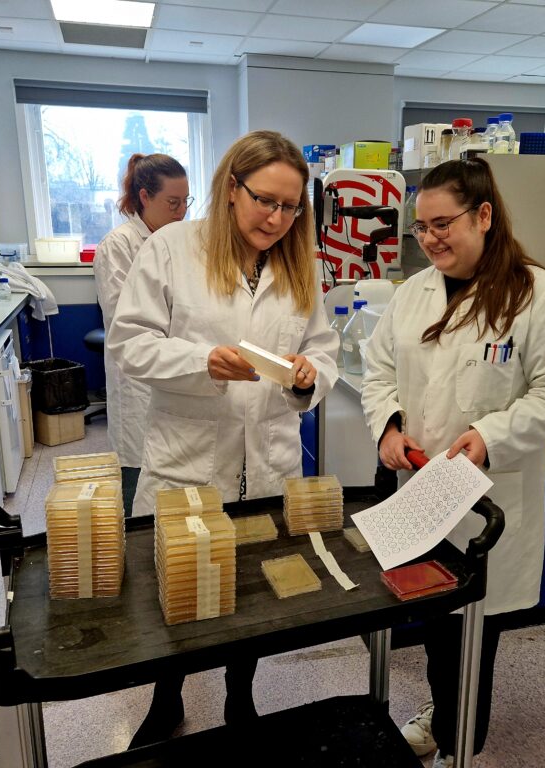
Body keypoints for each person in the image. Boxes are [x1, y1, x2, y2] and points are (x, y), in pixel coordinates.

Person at [107, 130, 339, 746]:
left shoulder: (300, 262)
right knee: (177, 587)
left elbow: (321, 347)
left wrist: (310, 376)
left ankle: (242, 696)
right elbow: (129, 343)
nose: (277, 218)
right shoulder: (172, 248)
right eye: (266, 200)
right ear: (231, 187)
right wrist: (202, 361)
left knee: (254, 593)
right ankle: (168, 698)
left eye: (292, 207)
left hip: (267, 457)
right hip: (188, 457)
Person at [361, 158, 545, 768]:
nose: (431, 237)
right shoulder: (413, 295)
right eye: (421, 227)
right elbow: (378, 370)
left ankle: (462, 741)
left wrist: (490, 436)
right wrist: (387, 423)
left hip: (488, 500)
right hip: (419, 487)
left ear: (484, 215)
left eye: (444, 223)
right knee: (435, 623)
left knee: (471, 635)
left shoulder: (538, 295)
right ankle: (446, 719)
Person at [94, 153, 190, 516]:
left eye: (185, 202)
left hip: (176, 372)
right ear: (145, 197)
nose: (181, 212)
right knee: (137, 472)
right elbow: (125, 324)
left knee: (173, 476)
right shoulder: (117, 246)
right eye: (172, 202)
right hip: (137, 381)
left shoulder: (180, 241)